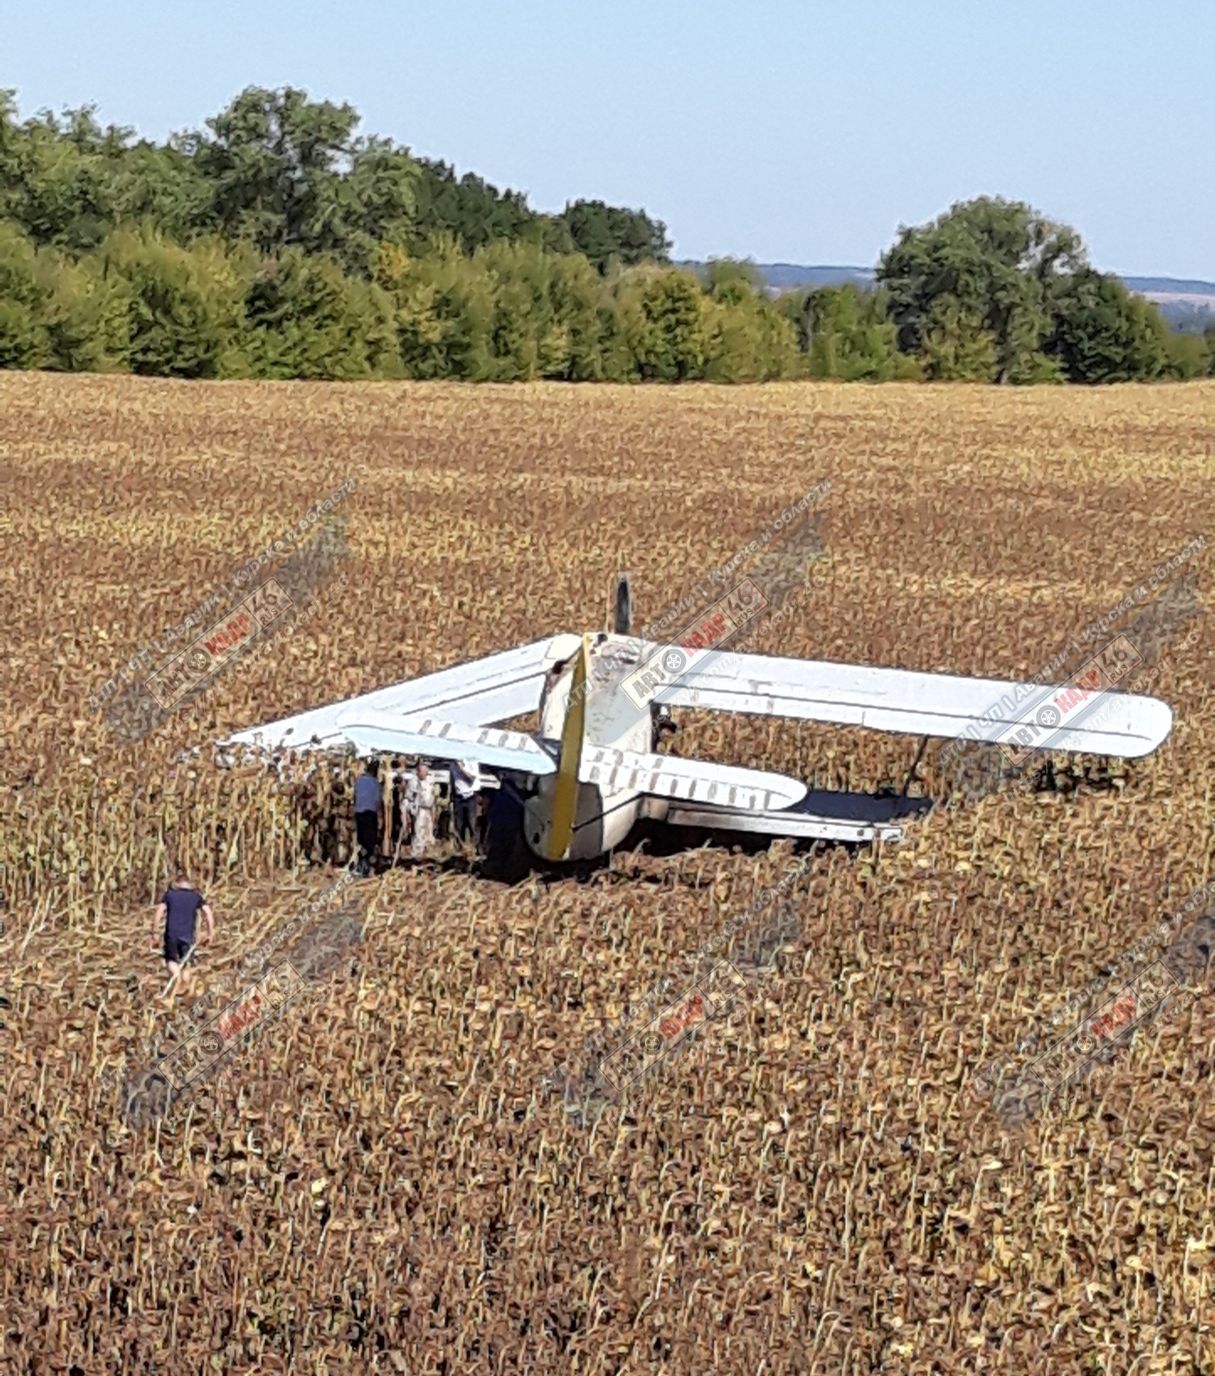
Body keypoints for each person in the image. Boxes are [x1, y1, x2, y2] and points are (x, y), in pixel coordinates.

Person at [153, 872, 213, 987]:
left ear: (177, 884)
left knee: (171, 961)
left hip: (172, 935)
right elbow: (208, 913)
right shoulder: (195, 897)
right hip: (188, 936)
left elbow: (159, 912)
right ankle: (183, 990)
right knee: (186, 964)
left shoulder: (170, 895)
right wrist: (210, 933)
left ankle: (176, 979)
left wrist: (155, 933)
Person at [353, 758, 383, 876]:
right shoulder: (375, 784)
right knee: (370, 842)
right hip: (370, 814)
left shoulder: (359, 781)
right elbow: (377, 801)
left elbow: (355, 797)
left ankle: (361, 865)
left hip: (359, 814)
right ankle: (369, 868)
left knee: (361, 841)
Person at [405, 761, 437, 859]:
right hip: (419, 810)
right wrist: (409, 811)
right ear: (418, 772)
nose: (424, 774)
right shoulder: (413, 782)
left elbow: (433, 797)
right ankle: (417, 854)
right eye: (422, 772)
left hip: (428, 809)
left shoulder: (431, 781)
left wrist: (433, 813)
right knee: (419, 831)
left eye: (425, 772)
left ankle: (429, 854)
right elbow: (408, 798)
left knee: (429, 832)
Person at [450, 758, 481, 849]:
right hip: (458, 797)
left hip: (470, 796)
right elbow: (452, 779)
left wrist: (462, 768)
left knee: (472, 823)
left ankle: (475, 848)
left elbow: (472, 778)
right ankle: (459, 847)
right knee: (458, 824)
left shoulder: (472, 762)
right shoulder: (453, 765)